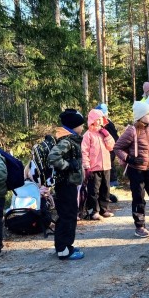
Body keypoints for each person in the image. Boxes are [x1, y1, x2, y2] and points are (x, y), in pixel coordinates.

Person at [114, 101, 149, 238]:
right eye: (148, 114)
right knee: (139, 199)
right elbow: (117, 148)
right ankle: (139, 227)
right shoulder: (131, 131)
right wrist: (130, 159)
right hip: (136, 170)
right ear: (140, 116)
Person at [48, 109, 86, 260]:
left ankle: (66, 245)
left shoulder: (71, 139)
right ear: (73, 126)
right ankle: (63, 249)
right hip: (65, 184)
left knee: (69, 214)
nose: (82, 128)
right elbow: (53, 157)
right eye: (80, 125)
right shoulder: (66, 141)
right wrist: (69, 165)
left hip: (69, 183)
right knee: (67, 215)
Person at [81, 108, 116, 220]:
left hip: (106, 165)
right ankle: (94, 211)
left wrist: (107, 136)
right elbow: (84, 151)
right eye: (98, 119)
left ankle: (104, 209)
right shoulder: (88, 135)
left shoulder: (104, 132)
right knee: (94, 190)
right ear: (92, 120)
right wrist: (86, 165)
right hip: (93, 167)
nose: (100, 121)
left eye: (102, 119)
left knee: (105, 189)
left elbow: (111, 147)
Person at [96, 103, 120, 194]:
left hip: (109, 146)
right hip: (110, 146)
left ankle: (112, 182)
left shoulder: (106, 123)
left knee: (109, 164)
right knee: (110, 164)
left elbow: (113, 136)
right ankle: (112, 182)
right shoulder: (107, 122)